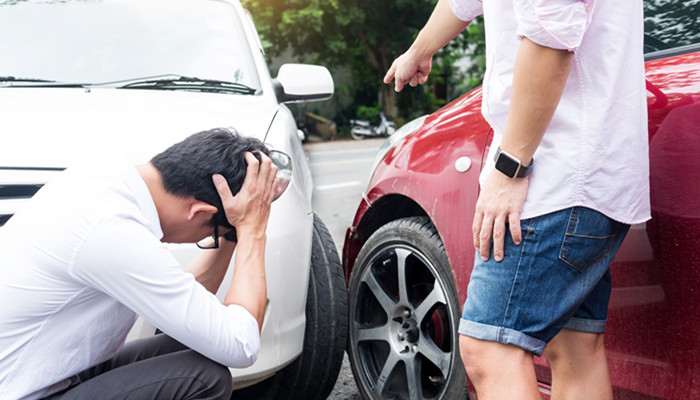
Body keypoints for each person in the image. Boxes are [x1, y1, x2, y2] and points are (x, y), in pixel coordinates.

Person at [384, 0, 650, 398]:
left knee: (490, 348)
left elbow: (552, 40)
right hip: (590, 174)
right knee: (575, 347)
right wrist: (421, 48)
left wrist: (511, 168)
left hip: (554, 176)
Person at [0, 127, 278, 400]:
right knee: (204, 378)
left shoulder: (103, 180)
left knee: (190, 343)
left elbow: (187, 311)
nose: (213, 237)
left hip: (47, 374)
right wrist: (252, 229)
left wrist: (232, 228)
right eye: (212, 233)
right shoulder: (110, 229)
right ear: (199, 212)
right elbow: (241, 345)